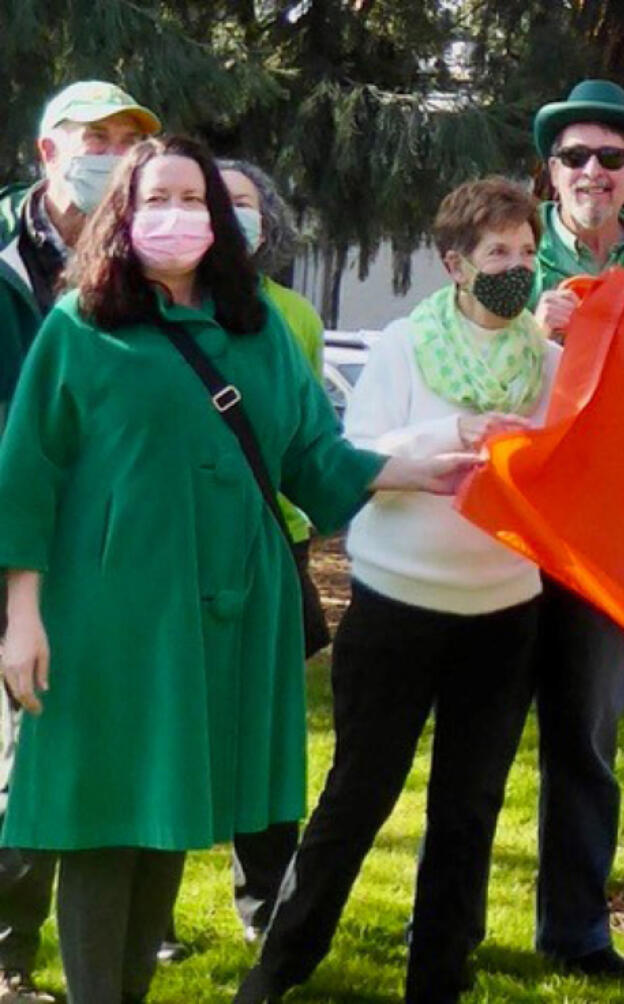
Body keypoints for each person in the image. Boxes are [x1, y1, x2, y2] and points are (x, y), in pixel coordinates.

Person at [0, 135, 473, 1004]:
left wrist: (410, 470)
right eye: (155, 199)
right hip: (108, 609)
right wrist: (21, 615)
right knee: (106, 814)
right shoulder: (80, 326)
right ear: (125, 215)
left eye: (192, 198)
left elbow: (308, 454)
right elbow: (26, 472)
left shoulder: (253, 329)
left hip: (224, 604)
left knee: (171, 809)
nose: (174, 214)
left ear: (219, 220)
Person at [235, 176, 560, 1004]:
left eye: (526, 253)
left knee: (469, 809)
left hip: (503, 612)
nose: (515, 268)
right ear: (456, 263)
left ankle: (438, 980)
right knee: (358, 795)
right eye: (497, 253)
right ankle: (278, 968)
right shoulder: (403, 349)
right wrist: (449, 433)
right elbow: (360, 454)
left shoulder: (551, 364)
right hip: (396, 607)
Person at [0, 79, 159, 1004]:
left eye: (123, 140)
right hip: (14, 528)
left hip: (101, 553)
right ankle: (10, 955)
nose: (106, 153)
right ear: (46, 151)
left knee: (63, 744)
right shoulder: (9, 260)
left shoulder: (141, 265)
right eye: (89, 137)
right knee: (21, 754)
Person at [526, 78, 624, 977]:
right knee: (476, 743)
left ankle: (578, 934)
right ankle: (441, 929)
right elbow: (462, 336)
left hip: (604, 544)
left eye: (611, 158)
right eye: (575, 156)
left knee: (587, 744)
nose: (592, 170)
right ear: (552, 172)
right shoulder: (512, 251)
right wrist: (525, 320)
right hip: (507, 539)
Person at [218, 158, 330, 943]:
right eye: (212, 202)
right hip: (185, 551)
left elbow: (308, 439)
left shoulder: (293, 315)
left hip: (275, 544)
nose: (230, 219)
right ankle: (146, 904)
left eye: (246, 205)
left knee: (264, 730)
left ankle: (266, 906)